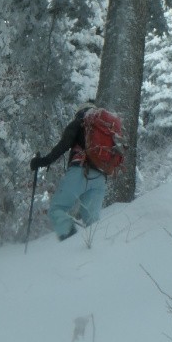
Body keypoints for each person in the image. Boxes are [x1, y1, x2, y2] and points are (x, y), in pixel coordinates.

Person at [29, 101, 108, 241]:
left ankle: (69, 242)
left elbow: (64, 145)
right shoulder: (105, 128)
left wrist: (44, 161)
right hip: (100, 177)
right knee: (92, 222)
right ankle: (93, 253)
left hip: (80, 171)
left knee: (57, 209)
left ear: (80, 112)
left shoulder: (80, 122)